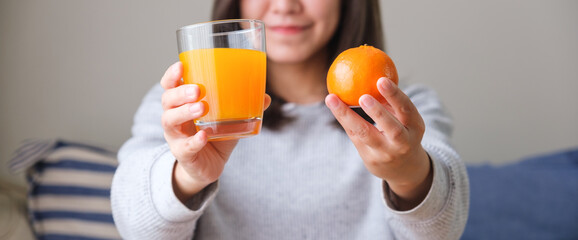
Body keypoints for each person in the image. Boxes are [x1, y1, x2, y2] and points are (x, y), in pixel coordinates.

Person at [111, 0, 469, 239]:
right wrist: (187, 175)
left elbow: (445, 228)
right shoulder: (186, 113)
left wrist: (409, 174)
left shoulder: (403, 112)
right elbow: (135, 226)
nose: (285, 5)